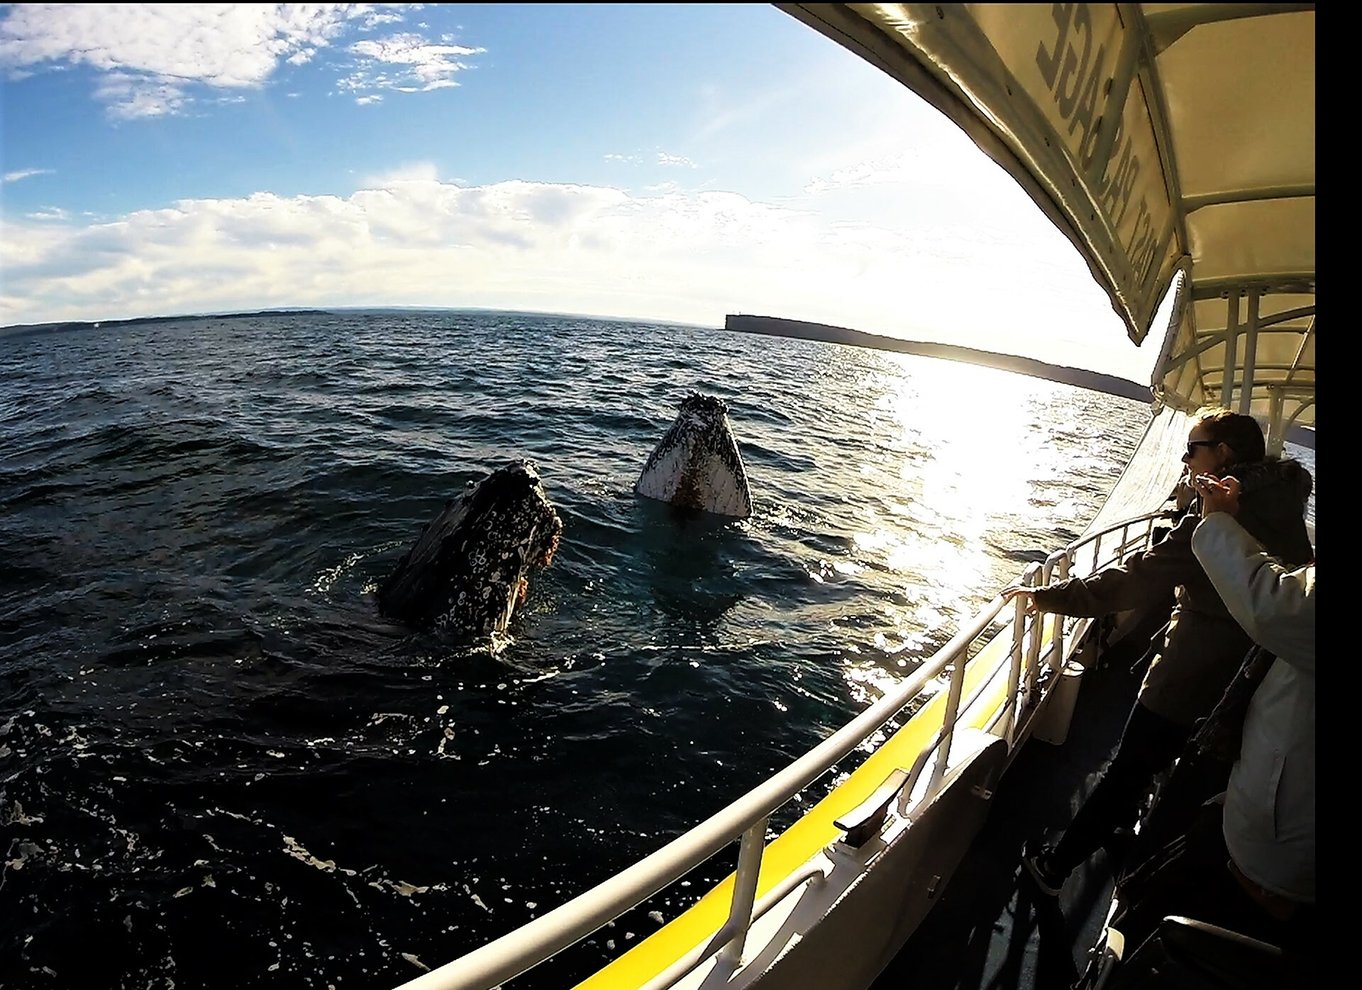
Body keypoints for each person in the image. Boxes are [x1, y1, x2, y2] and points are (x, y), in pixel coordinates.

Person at [1005, 408, 1312, 896]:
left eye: (1193, 448)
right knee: (1180, 767)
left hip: (1191, 670)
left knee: (1131, 765)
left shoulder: (1222, 509)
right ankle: (1129, 829)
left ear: (1223, 454)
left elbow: (1135, 581)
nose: (1185, 459)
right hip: (1250, 674)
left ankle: (1055, 868)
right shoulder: (1284, 500)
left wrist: (1051, 597)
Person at [1086, 473, 1314, 986]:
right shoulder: (1290, 534)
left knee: (1136, 782)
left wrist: (1213, 523)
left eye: (1196, 450)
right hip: (1248, 780)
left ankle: (1079, 897)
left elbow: (1279, 606)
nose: (1187, 462)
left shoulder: (1233, 529)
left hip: (1273, 832)